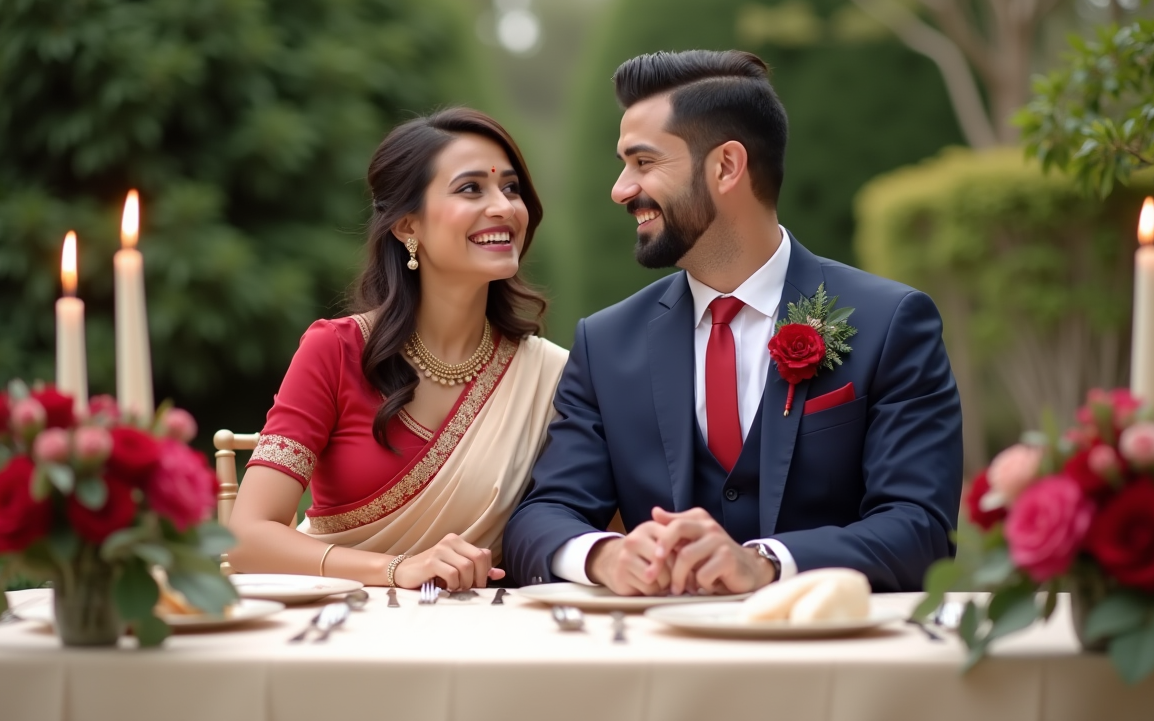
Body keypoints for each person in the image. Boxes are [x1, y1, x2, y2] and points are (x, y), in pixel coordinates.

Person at [504, 50, 963, 595]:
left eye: (644, 163)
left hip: (832, 658)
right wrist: (606, 555)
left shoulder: (890, 323)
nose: (621, 189)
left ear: (726, 166)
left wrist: (766, 562)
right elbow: (541, 516)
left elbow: (921, 527)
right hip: (661, 662)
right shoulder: (606, 345)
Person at [228, 108, 568, 591]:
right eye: (471, 189)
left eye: (511, 188)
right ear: (408, 226)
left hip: (487, 633)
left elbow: (584, 528)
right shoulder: (336, 351)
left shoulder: (549, 376)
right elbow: (247, 537)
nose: (504, 207)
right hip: (339, 625)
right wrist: (394, 570)